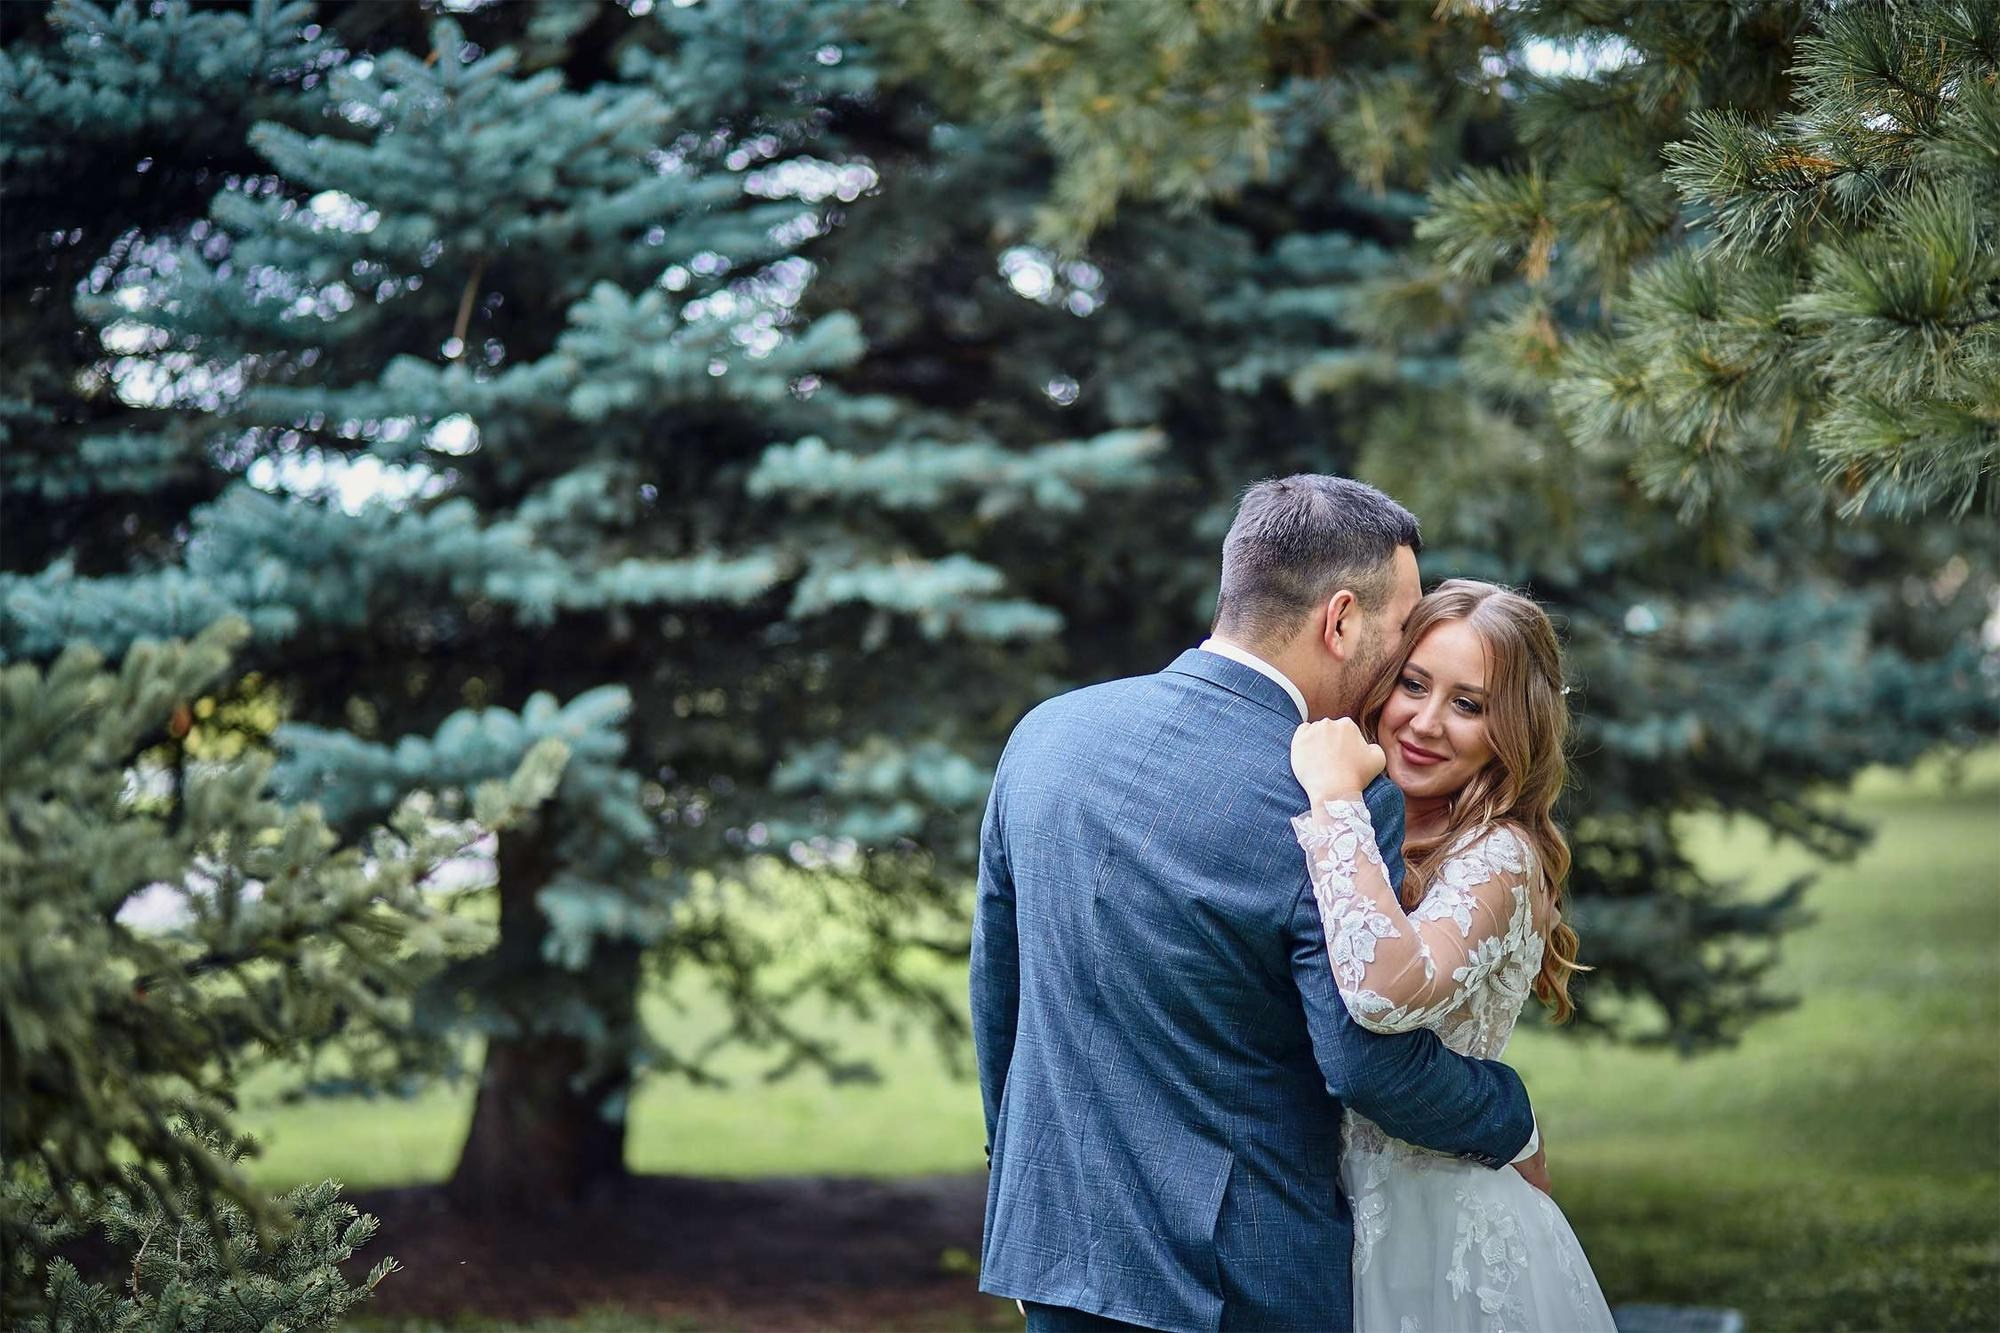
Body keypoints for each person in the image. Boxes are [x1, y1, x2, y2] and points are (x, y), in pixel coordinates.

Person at [971, 475, 1542, 1333]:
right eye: (1400, 627)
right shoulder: (1334, 798)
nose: (1400, 655)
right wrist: (1508, 1108)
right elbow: (1365, 1063)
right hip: (1243, 1281)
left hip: (1057, 1252)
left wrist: (1026, 1188)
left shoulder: (1048, 732)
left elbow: (999, 994)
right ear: (1341, 620)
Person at [1290, 578, 1616, 1332]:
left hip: (1445, 1236)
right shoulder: (1382, 823)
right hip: (1336, 1223)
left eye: (1468, 704)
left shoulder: (1500, 854)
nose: (1425, 722)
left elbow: (1382, 990)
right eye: (1412, 684)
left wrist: (1334, 799)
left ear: (1513, 729)